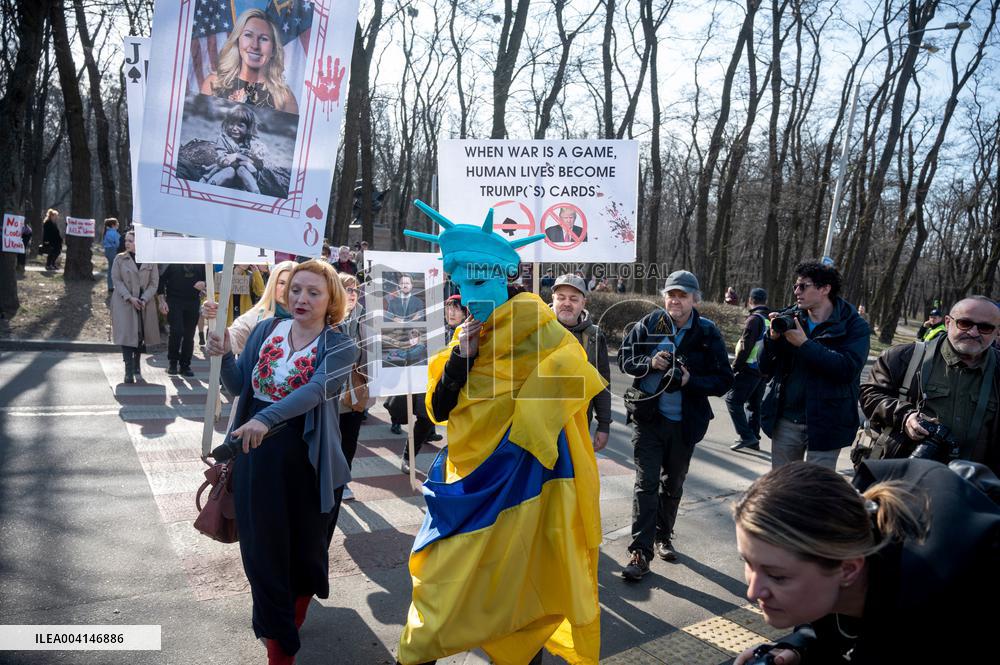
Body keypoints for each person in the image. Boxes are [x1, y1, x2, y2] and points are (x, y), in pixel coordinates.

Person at [396, 201, 605, 665]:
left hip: (524, 484)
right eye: (460, 284)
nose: (469, 295)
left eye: (479, 281)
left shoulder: (545, 331)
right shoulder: (463, 337)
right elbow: (439, 409)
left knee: (518, 588)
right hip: (466, 481)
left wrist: (525, 436)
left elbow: (576, 376)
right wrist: (461, 358)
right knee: (440, 581)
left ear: (505, 278)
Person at [205, 260, 355, 665]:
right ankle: (280, 646)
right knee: (262, 555)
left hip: (308, 463)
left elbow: (317, 390)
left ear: (331, 301)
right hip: (257, 461)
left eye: (313, 292)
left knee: (305, 552)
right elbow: (239, 385)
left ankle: (296, 608)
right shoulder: (265, 331)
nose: (301, 298)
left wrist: (265, 418)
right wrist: (220, 353)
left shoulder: (341, 344)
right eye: (296, 290)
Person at [733, 459, 999, 664]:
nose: (752, 592)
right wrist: (801, 646)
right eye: (748, 562)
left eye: (777, 576)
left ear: (848, 569)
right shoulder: (852, 553)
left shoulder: (936, 616)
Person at [618, 269, 734, 579]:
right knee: (646, 484)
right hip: (648, 420)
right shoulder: (649, 324)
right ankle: (640, 553)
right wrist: (649, 363)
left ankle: (663, 536)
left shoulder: (707, 333)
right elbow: (625, 360)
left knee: (673, 484)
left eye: (683, 295)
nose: (676, 301)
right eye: (671, 294)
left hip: (685, 424)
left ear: (696, 300)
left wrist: (690, 380)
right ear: (663, 298)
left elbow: (724, 379)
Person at [860, 296, 1000, 474]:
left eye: (985, 327)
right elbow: (870, 393)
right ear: (948, 322)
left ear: (997, 332)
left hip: (974, 486)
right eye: (965, 323)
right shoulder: (903, 357)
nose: (973, 332)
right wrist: (905, 416)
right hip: (903, 475)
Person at [759, 261, 870, 470]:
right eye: (795, 286)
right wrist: (771, 339)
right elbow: (763, 367)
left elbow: (847, 369)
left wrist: (804, 344)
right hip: (787, 419)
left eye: (803, 286)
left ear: (825, 289)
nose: (796, 292)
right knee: (783, 488)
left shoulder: (854, 326)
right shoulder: (790, 317)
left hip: (828, 422)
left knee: (815, 492)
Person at [551, 273, 611, 452]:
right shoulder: (537, 328)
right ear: (553, 299)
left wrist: (604, 424)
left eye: (573, 299)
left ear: (583, 303)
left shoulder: (594, 336)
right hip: (540, 424)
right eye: (561, 298)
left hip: (579, 425)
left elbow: (601, 382)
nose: (567, 303)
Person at [200, 8, 298, 113]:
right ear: (237, 41)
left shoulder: (284, 98)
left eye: (264, 39)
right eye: (248, 35)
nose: (255, 46)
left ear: (273, 49)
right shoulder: (214, 84)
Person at [336, 272, 370, 502]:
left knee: (350, 437)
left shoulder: (366, 316)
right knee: (331, 438)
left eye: (354, 289)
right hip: (332, 390)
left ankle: (343, 479)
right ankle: (330, 478)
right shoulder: (327, 317)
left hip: (357, 386)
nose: (351, 294)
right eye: (346, 289)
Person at [110, 231, 161, 384]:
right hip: (124, 303)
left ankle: (137, 364)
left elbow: (154, 283)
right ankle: (128, 370)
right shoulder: (120, 259)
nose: (127, 243)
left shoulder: (150, 260)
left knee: (139, 334)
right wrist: (130, 297)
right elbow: (116, 280)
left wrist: (144, 298)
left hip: (144, 302)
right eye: (126, 240)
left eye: (131, 240)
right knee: (127, 336)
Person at [728, 288, 770, 452]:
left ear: (750, 300)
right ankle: (754, 439)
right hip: (762, 371)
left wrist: (735, 367)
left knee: (733, 401)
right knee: (754, 405)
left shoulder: (754, 319)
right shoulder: (768, 319)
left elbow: (746, 346)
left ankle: (746, 436)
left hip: (749, 368)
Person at [201, 106, 266, 194]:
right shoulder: (223, 139)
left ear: (248, 128)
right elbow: (221, 160)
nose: (234, 128)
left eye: (240, 125)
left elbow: (259, 164)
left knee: (242, 169)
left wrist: (238, 156)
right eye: (231, 124)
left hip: (244, 178)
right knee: (229, 171)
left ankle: (256, 193)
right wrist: (231, 160)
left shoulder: (253, 143)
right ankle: (206, 190)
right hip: (226, 173)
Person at [156, 264, 207, 377]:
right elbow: (161, 281)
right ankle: (173, 363)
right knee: (176, 331)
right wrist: (161, 301)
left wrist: (205, 284)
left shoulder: (201, 262)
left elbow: (210, 277)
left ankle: (185, 365)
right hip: (174, 300)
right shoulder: (173, 262)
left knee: (189, 335)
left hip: (193, 301)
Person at [102, 219, 121, 293]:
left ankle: (110, 286)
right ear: (113, 225)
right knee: (115, 270)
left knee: (110, 269)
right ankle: (115, 286)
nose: (118, 225)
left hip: (108, 251)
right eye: (117, 223)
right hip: (113, 251)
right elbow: (118, 243)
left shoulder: (107, 233)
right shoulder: (114, 233)